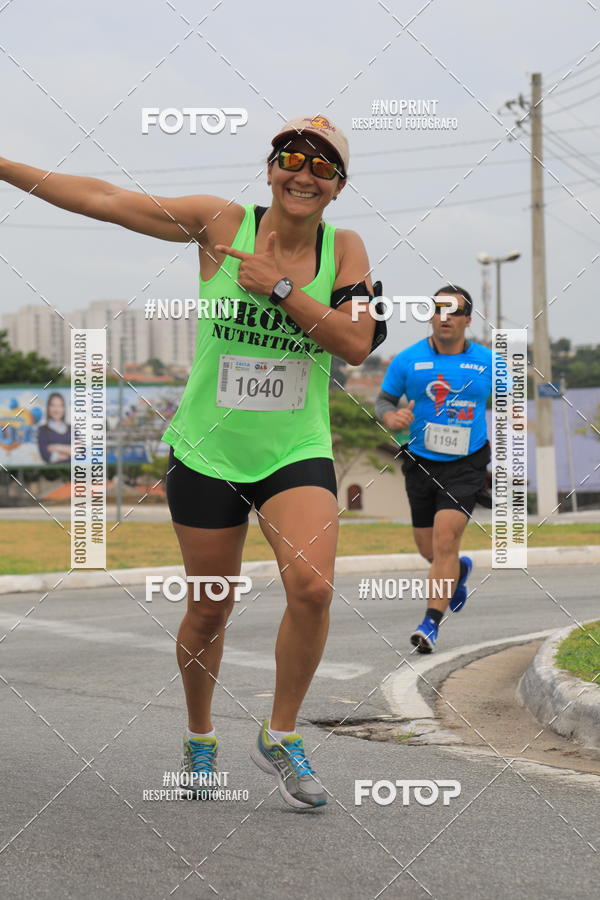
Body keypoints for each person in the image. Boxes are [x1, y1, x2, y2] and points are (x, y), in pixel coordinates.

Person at [0, 114, 384, 809]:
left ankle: (281, 733)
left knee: (312, 589)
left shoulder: (344, 248)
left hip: (294, 449)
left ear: (338, 187)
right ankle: (200, 735)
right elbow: (104, 199)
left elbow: (356, 344)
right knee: (210, 608)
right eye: (292, 159)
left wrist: (279, 288)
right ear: (270, 168)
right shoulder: (220, 223)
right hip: (207, 450)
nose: (304, 175)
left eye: (323, 167)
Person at [375, 286, 492, 653]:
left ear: (467, 320)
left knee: (445, 541)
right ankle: (459, 571)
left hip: (467, 463)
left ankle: (430, 623)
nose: (445, 317)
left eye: (454, 311)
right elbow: (383, 401)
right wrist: (390, 417)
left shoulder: (489, 361)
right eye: (439, 309)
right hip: (421, 462)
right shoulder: (408, 360)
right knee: (429, 549)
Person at [37, 392, 71, 463]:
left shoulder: (71, 429)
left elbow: (80, 452)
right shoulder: (43, 430)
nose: (56, 409)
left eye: (60, 406)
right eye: (53, 405)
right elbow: (46, 456)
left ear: (64, 408)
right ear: (48, 408)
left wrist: (56, 447)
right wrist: (69, 450)